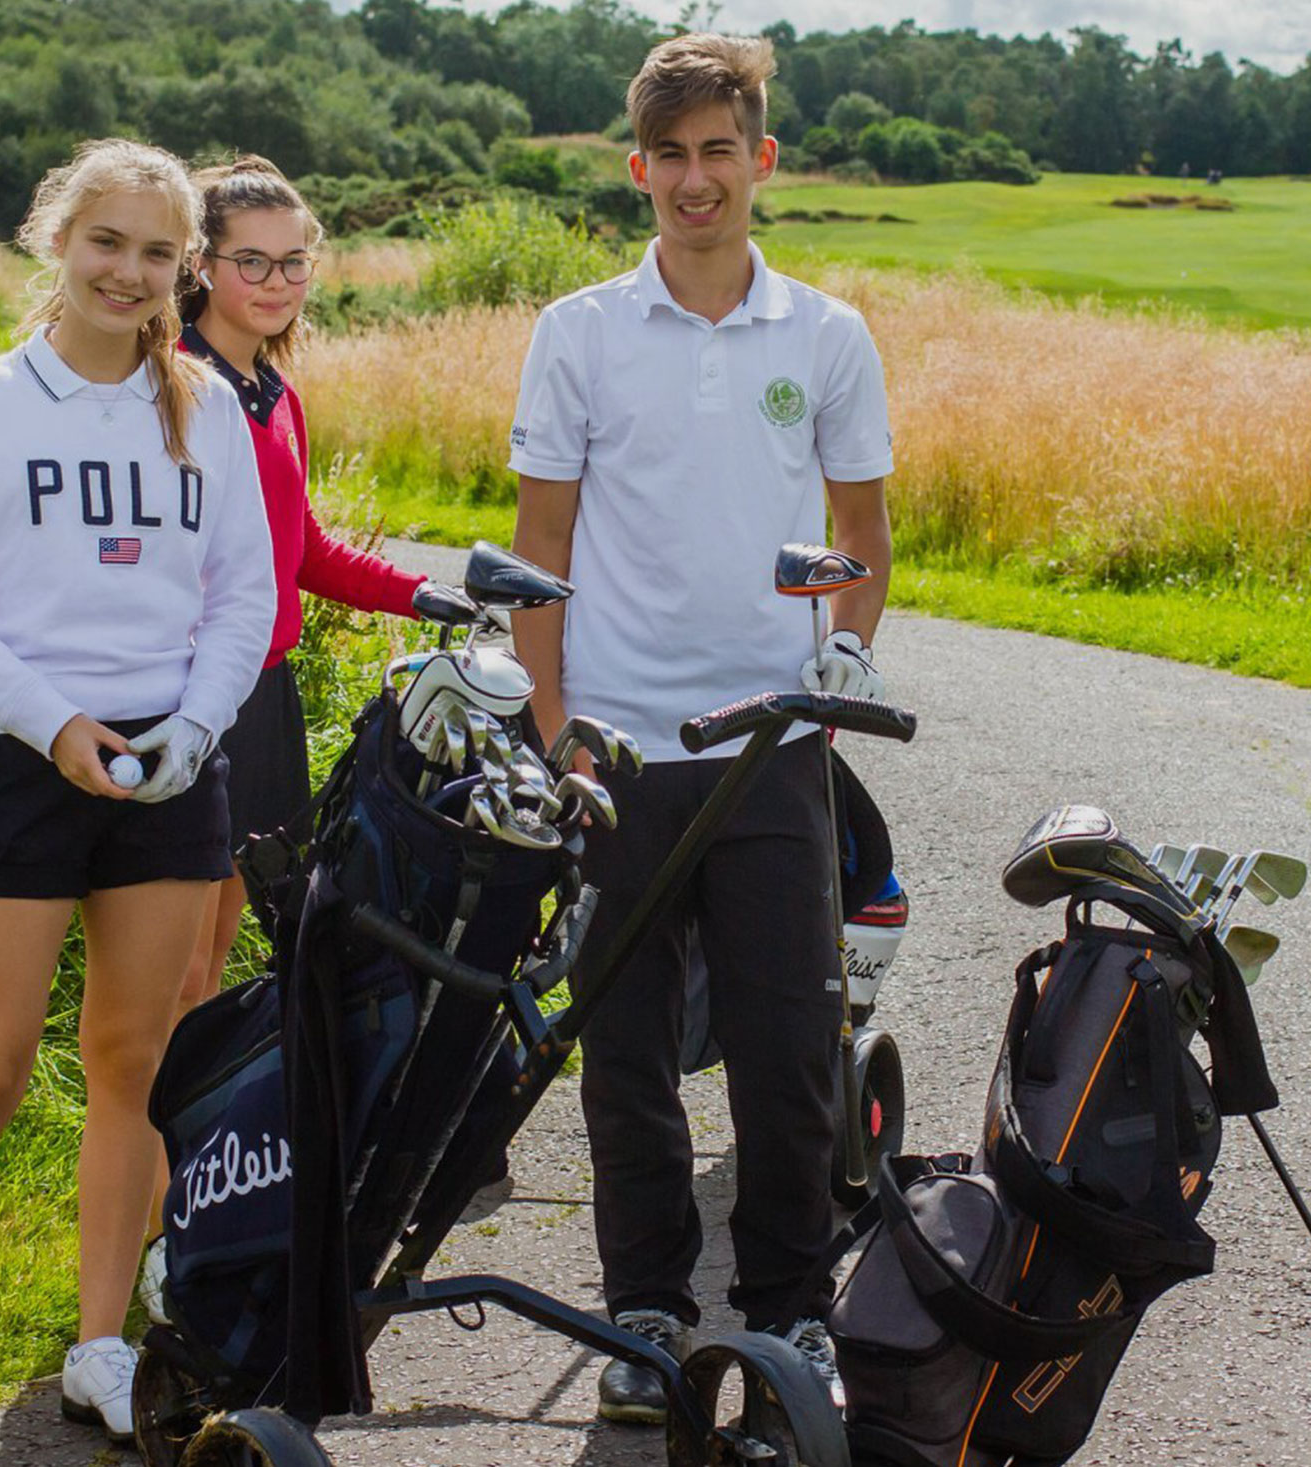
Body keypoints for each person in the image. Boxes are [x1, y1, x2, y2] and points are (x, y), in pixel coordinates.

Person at [0, 138, 276, 1464]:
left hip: (168, 772)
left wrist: (193, 728)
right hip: (21, 764)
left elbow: (241, 595)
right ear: (56, 237)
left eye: (157, 253)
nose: (129, 273)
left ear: (181, 269)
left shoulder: (205, 407)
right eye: (108, 243)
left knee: (134, 1064)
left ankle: (101, 1341)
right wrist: (54, 723)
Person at [505, 31, 895, 1422]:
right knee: (623, 1053)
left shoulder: (828, 333)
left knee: (791, 1044)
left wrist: (840, 662)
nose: (693, 178)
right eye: (667, 155)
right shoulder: (582, 331)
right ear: (638, 171)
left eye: (717, 150)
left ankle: (791, 1306)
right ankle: (648, 1304)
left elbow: (861, 537)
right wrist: (556, 730)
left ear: (760, 160)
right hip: (617, 746)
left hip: (773, 747)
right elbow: (539, 547)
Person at [169, 154, 449, 1024]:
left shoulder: (272, 393)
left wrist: (426, 593)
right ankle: (153, 1156)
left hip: (267, 690)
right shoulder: (173, 386)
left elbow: (302, 550)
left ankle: (195, 1150)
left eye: (294, 261)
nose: (275, 280)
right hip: (194, 690)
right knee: (181, 963)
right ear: (201, 266)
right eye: (250, 260)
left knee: (224, 941)